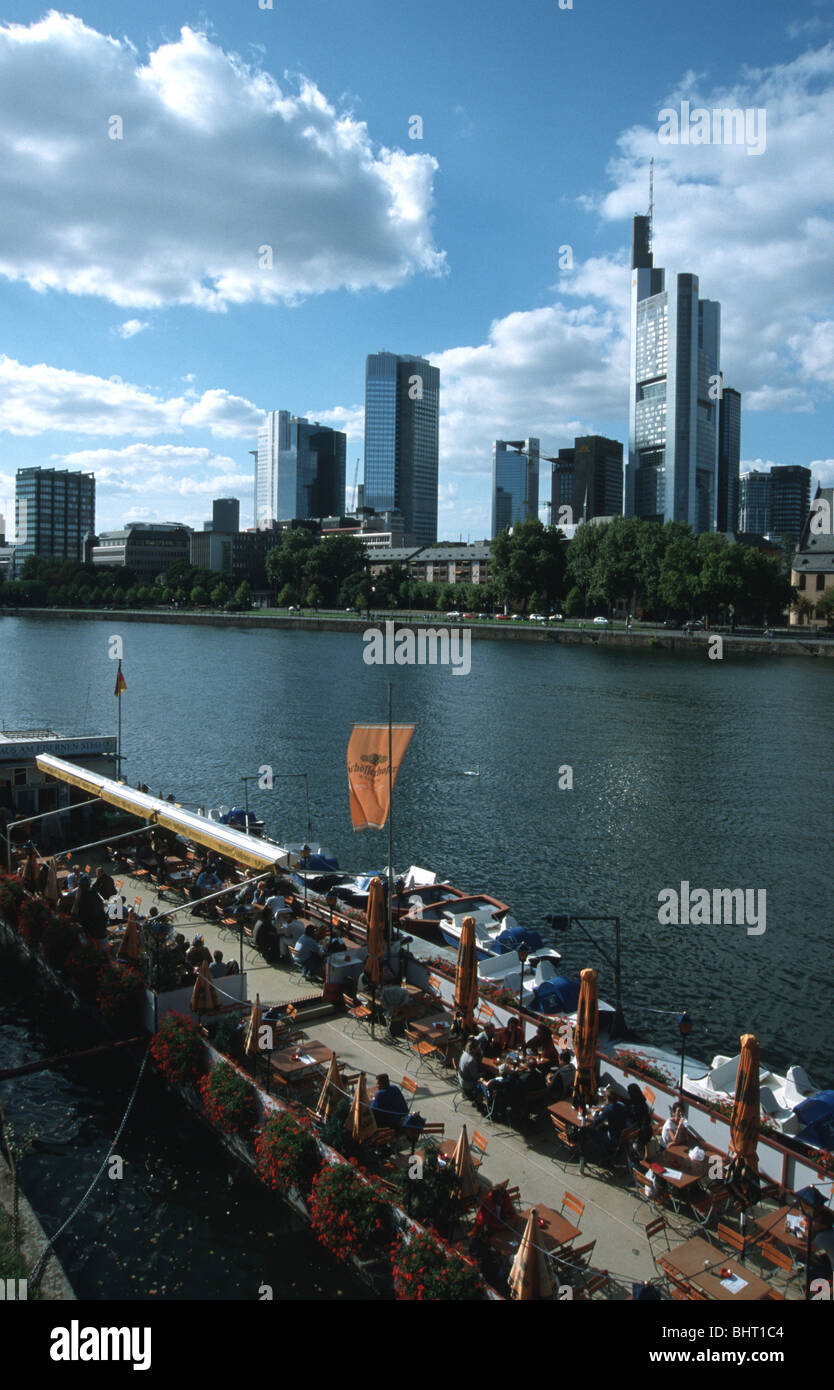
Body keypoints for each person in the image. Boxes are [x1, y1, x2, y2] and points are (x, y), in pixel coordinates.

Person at [591, 1087, 630, 1159]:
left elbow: (596, 1121)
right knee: (602, 1127)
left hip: (612, 1136)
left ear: (608, 1099)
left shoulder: (609, 1109)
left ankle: (603, 1156)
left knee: (592, 1133)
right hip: (620, 1131)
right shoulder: (622, 1105)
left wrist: (596, 1113)